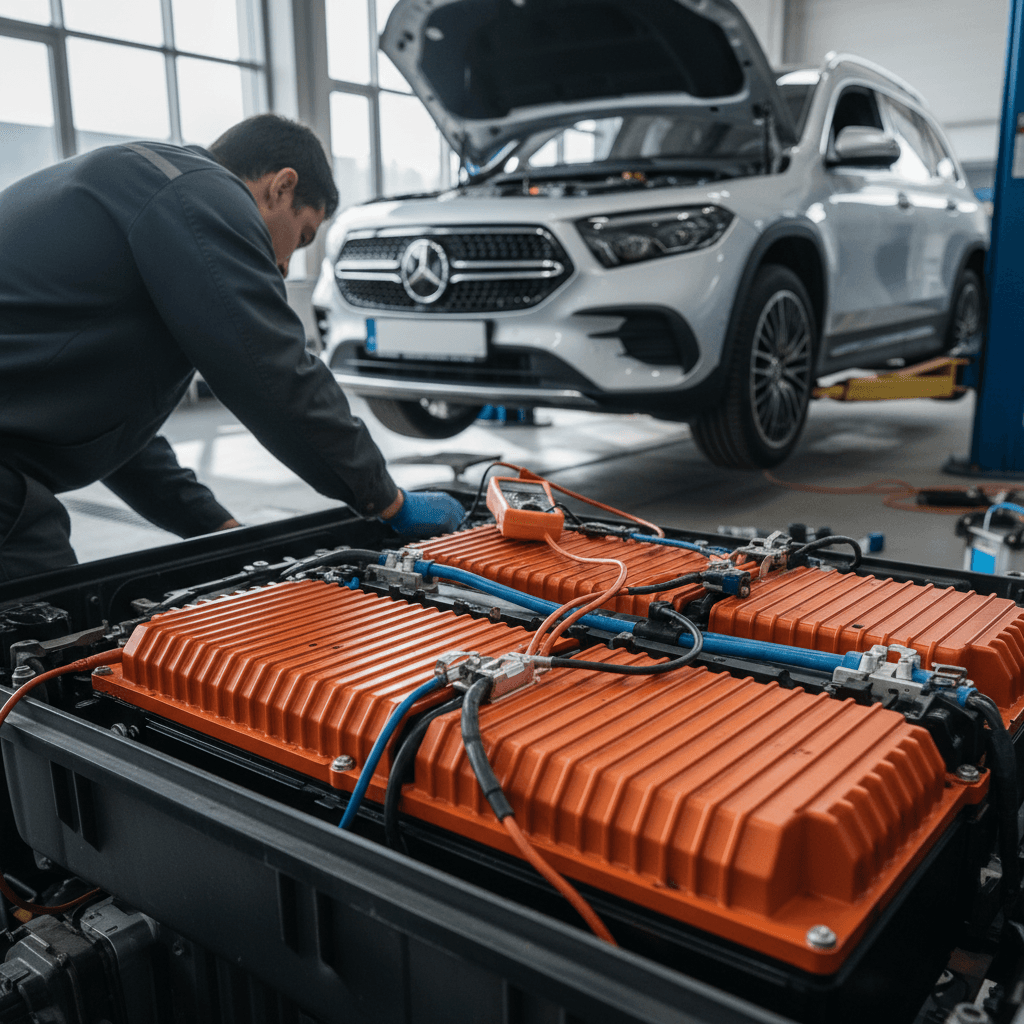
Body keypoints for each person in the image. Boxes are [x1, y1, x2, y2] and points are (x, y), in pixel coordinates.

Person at [0, 114, 465, 582]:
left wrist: (219, 530)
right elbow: (274, 373)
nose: (284, 267)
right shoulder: (201, 192)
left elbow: (113, 435)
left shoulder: (144, 185)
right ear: (281, 187)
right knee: (41, 626)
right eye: (301, 238)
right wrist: (388, 500)